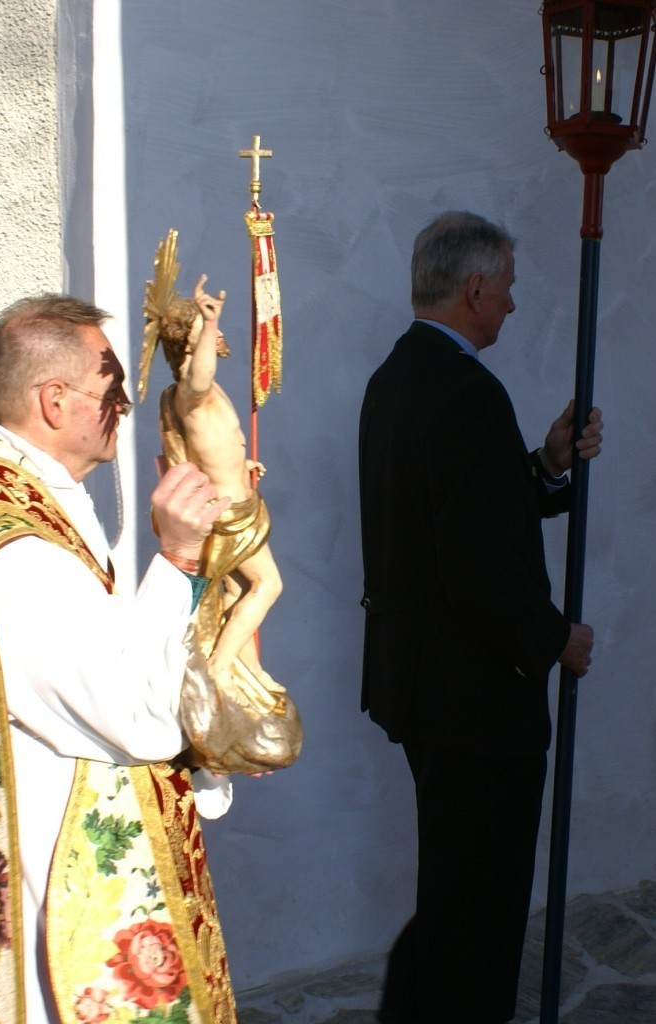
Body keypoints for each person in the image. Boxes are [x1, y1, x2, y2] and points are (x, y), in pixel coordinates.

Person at [0, 294, 237, 1024]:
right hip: (47, 870)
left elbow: (102, 651)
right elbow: (133, 717)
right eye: (111, 390)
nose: (123, 406)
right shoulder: (15, 547)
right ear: (55, 401)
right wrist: (179, 559)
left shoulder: (29, 504)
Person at [358, 211, 604, 1024]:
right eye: (504, 287)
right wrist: (554, 638)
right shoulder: (465, 391)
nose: (510, 302)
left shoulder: (397, 375)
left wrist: (546, 465)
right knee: (480, 913)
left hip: (423, 687)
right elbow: (474, 566)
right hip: (473, 700)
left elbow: (461, 516)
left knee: (454, 893)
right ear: (472, 289)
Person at [156, 274, 283, 694]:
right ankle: (221, 666)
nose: (219, 334)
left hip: (239, 501)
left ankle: (248, 672)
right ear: (189, 345)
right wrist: (208, 323)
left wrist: (242, 462)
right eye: (207, 331)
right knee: (268, 585)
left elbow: (210, 447)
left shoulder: (202, 393)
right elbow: (200, 374)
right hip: (230, 514)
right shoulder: (192, 389)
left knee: (238, 588)